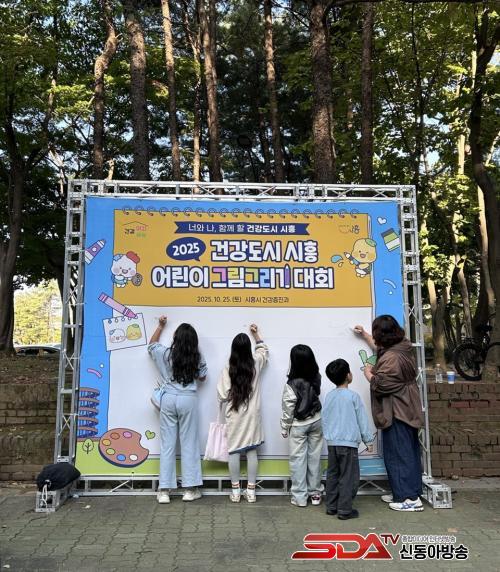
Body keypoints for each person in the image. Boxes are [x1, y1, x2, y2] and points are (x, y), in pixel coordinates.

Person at [354, 315, 425, 512]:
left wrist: (368, 373)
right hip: (407, 407)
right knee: (408, 452)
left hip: (397, 411)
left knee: (399, 454)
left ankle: (408, 499)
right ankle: (408, 492)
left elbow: (381, 384)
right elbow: (381, 349)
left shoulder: (392, 358)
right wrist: (365, 335)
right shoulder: (402, 346)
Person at [148, 316, 207, 504]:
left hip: (168, 398)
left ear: (175, 337)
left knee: (167, 444)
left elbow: (151, 346)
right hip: (188, 398)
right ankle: (190, 490)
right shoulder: (196, 356)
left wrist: (160, 326)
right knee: (189, 443)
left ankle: (164, 491)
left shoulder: (166, 354)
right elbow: (203, 376)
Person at [217, 324, 268, 503]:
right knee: (252, 450)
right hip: (253, 415)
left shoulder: (228, 367)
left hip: (235, 414)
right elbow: (263, 351)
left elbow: (222, 395)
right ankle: (251, 492)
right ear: (248, 349)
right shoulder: (255, 363)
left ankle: (236, 492)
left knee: (234, 451)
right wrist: (256, 335)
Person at [323, 359, 373, 520]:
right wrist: (368, 440)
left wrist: (328, 436)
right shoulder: (353, 397)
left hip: (332, 443)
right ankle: (344, 510)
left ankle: (331, 506)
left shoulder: (329, 396)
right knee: (348, 477)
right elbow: (362, 420)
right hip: (348, 444)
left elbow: (325, 419)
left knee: (333, 475)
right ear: (348, 375)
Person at [280, 344, 323, 507]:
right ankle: (315, 493)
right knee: (315, 457)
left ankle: (300, 497)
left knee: (297, 460)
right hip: (316, 420)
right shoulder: (316, 376)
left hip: (298, 424)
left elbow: (288, 409)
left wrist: (284, 428)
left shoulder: (291, 384)